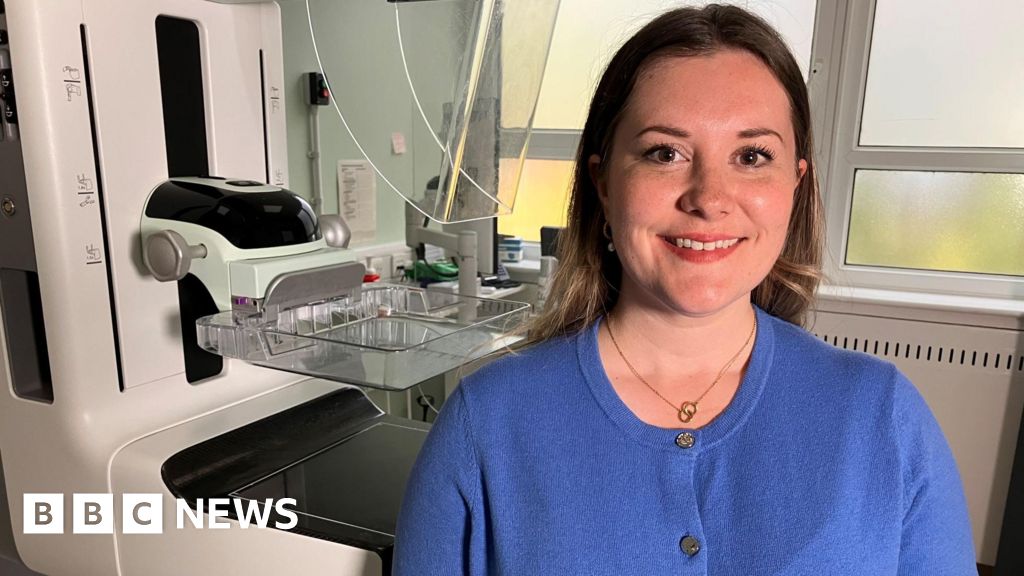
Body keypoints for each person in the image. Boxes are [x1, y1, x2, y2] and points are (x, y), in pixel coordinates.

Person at [394, 4, 976, 575]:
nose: (708, 198)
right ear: (603, 182)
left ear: (795, 186)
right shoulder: (486, 427)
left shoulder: (883, 419)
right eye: (664, 153)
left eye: (752, 156)